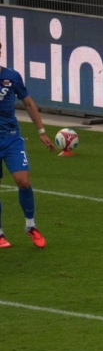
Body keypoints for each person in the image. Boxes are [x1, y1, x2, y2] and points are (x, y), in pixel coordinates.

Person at [0, 42, 57, 248]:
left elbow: (28, 103)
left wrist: (41, 132)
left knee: (23, 181)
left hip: (12, 137)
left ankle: (30, 226)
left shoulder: (12, 77)